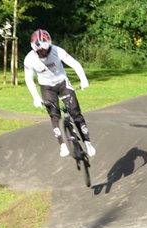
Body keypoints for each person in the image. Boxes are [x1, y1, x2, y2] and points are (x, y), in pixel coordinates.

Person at [24, 29, 96, 158]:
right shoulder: (29, 59)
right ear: (34, 49)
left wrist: (83, 80)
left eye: (45, 50)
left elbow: (75, 64)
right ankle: (63, 144)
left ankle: (87, 142)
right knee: (54, 115)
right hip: (46, 87)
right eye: (40, 51)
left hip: (63, 83)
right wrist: (36, 98)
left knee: (75, 112)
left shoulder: (58, 51)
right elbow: (29, 79)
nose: (43, 53)